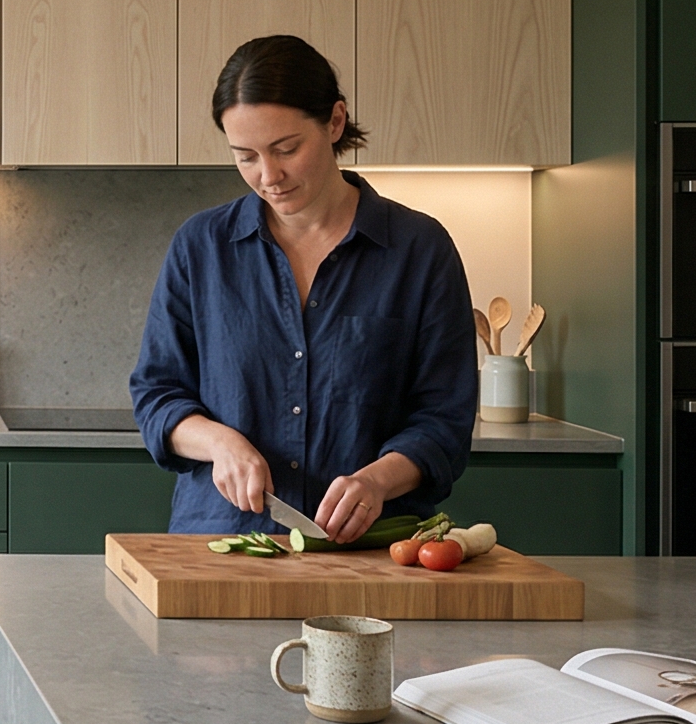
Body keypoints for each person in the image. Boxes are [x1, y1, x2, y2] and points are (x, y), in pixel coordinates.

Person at [129, 34, 476, 539]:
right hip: (223, 536)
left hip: (369, 547)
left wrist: (377, 481)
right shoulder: (201, 247)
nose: (269, 175)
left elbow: (444, 418)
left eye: (286, 149)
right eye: (245, 156)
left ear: (335, 121)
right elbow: (157, 394)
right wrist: (219, 443)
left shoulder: (419, 250)